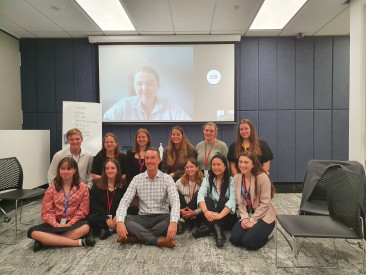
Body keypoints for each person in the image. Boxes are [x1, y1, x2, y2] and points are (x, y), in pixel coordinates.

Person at [115, 148, 180, 248]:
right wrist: (119, 221)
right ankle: (156, 240)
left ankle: (137, 237)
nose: (150, 161)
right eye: (147, 158)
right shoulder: (137, 179)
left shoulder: (167, 179)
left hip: (162, 217)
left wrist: (173, 222)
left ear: (159, 160)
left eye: (153, 158)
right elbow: (125, 201)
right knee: (125, 220)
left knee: (174, 220)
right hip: (143, 218)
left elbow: (175, 201)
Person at [28, 157, 94, 251]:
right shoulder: (51, 189)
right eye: (62, 168)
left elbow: (83, 210)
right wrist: (55, 224)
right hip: (55, 223)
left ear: (75, 170)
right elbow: (46, 212)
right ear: (59, 170)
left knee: (85, 228)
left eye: (69, 169)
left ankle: (47, 241)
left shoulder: (83, 188)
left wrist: (70, 223)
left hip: (73, 223)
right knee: (33, 232)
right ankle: (79, 242)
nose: (65, 171)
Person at [103, 66, 191, 121]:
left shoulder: (171, 108)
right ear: (134, 87)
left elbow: (188, 125)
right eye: (139, 84)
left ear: (158, 86)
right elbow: (104, 122)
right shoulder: (124, 105)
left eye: (150, 83)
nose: (145, 88)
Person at [229, 151, 278, 250]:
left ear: (253, 164)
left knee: (249, 242)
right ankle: (253, 231)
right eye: (240, 162)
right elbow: (241, 202)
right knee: (235, 239)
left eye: (246, 162)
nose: (242, 165)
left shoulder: (262, 177)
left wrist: (253, 220)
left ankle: (268, 235)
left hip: (264, 214)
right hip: (248, 213)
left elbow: (265, 203)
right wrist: (244, 218)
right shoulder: (237, 178)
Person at [195, 154, 237, 247]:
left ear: (225, 166)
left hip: (226, 217)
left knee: (224, 200)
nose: (216, 167)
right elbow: (200, 195)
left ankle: (210, 229)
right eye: (214, 165)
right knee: (207, 199)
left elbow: (233, 200)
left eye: (218, 164)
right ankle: (218, 233)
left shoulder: (231, 181)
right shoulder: (207, 179)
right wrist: (206, 212)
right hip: (211, 216)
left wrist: (219, 215)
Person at [88, 159, 126, 240]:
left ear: (117, 170)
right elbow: (95, 205)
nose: (110, 171)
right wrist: (106, 219)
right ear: (104, 170)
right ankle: (112, 229)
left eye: (112, 168)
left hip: (118, 216)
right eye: (107, 168)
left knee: (132, 214)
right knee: (90, 218)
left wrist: (118, 216)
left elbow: (126, 203)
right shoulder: (97, 184)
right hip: (103, 217)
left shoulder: (123, 184)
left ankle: (107, 230)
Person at [175, 158, 204, 234]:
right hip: (182, 209)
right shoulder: (180, 181)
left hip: (196, 211)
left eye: (191, 167)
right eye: (187, 167)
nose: (189, 169)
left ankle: (182, 220)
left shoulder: (203, 181)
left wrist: (194, 212)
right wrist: (180, 210)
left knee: (198, 193)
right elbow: (171, 198)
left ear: (197, 168)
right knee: (176, 193)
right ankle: (188, 219)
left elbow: (206, 201)